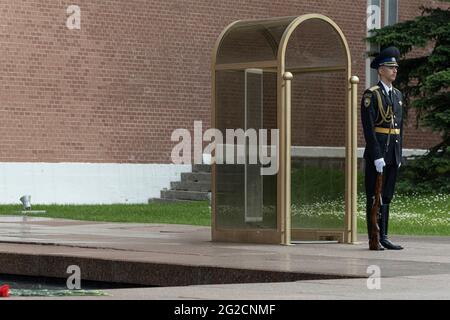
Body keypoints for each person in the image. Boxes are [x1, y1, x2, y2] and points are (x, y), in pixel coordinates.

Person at [361, 46, 404, 250]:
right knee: (374, 195)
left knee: (386, 196)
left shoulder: (397, 95)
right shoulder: (372, 95)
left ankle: (384, 236)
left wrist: (399, 154)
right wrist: (377, 155)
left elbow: (399, 128)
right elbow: (369, 129)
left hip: (392, 153)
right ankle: (374, 238)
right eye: (390, 67)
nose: (394, 70)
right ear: (380, 70)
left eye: (396, 67)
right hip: (378, 153)